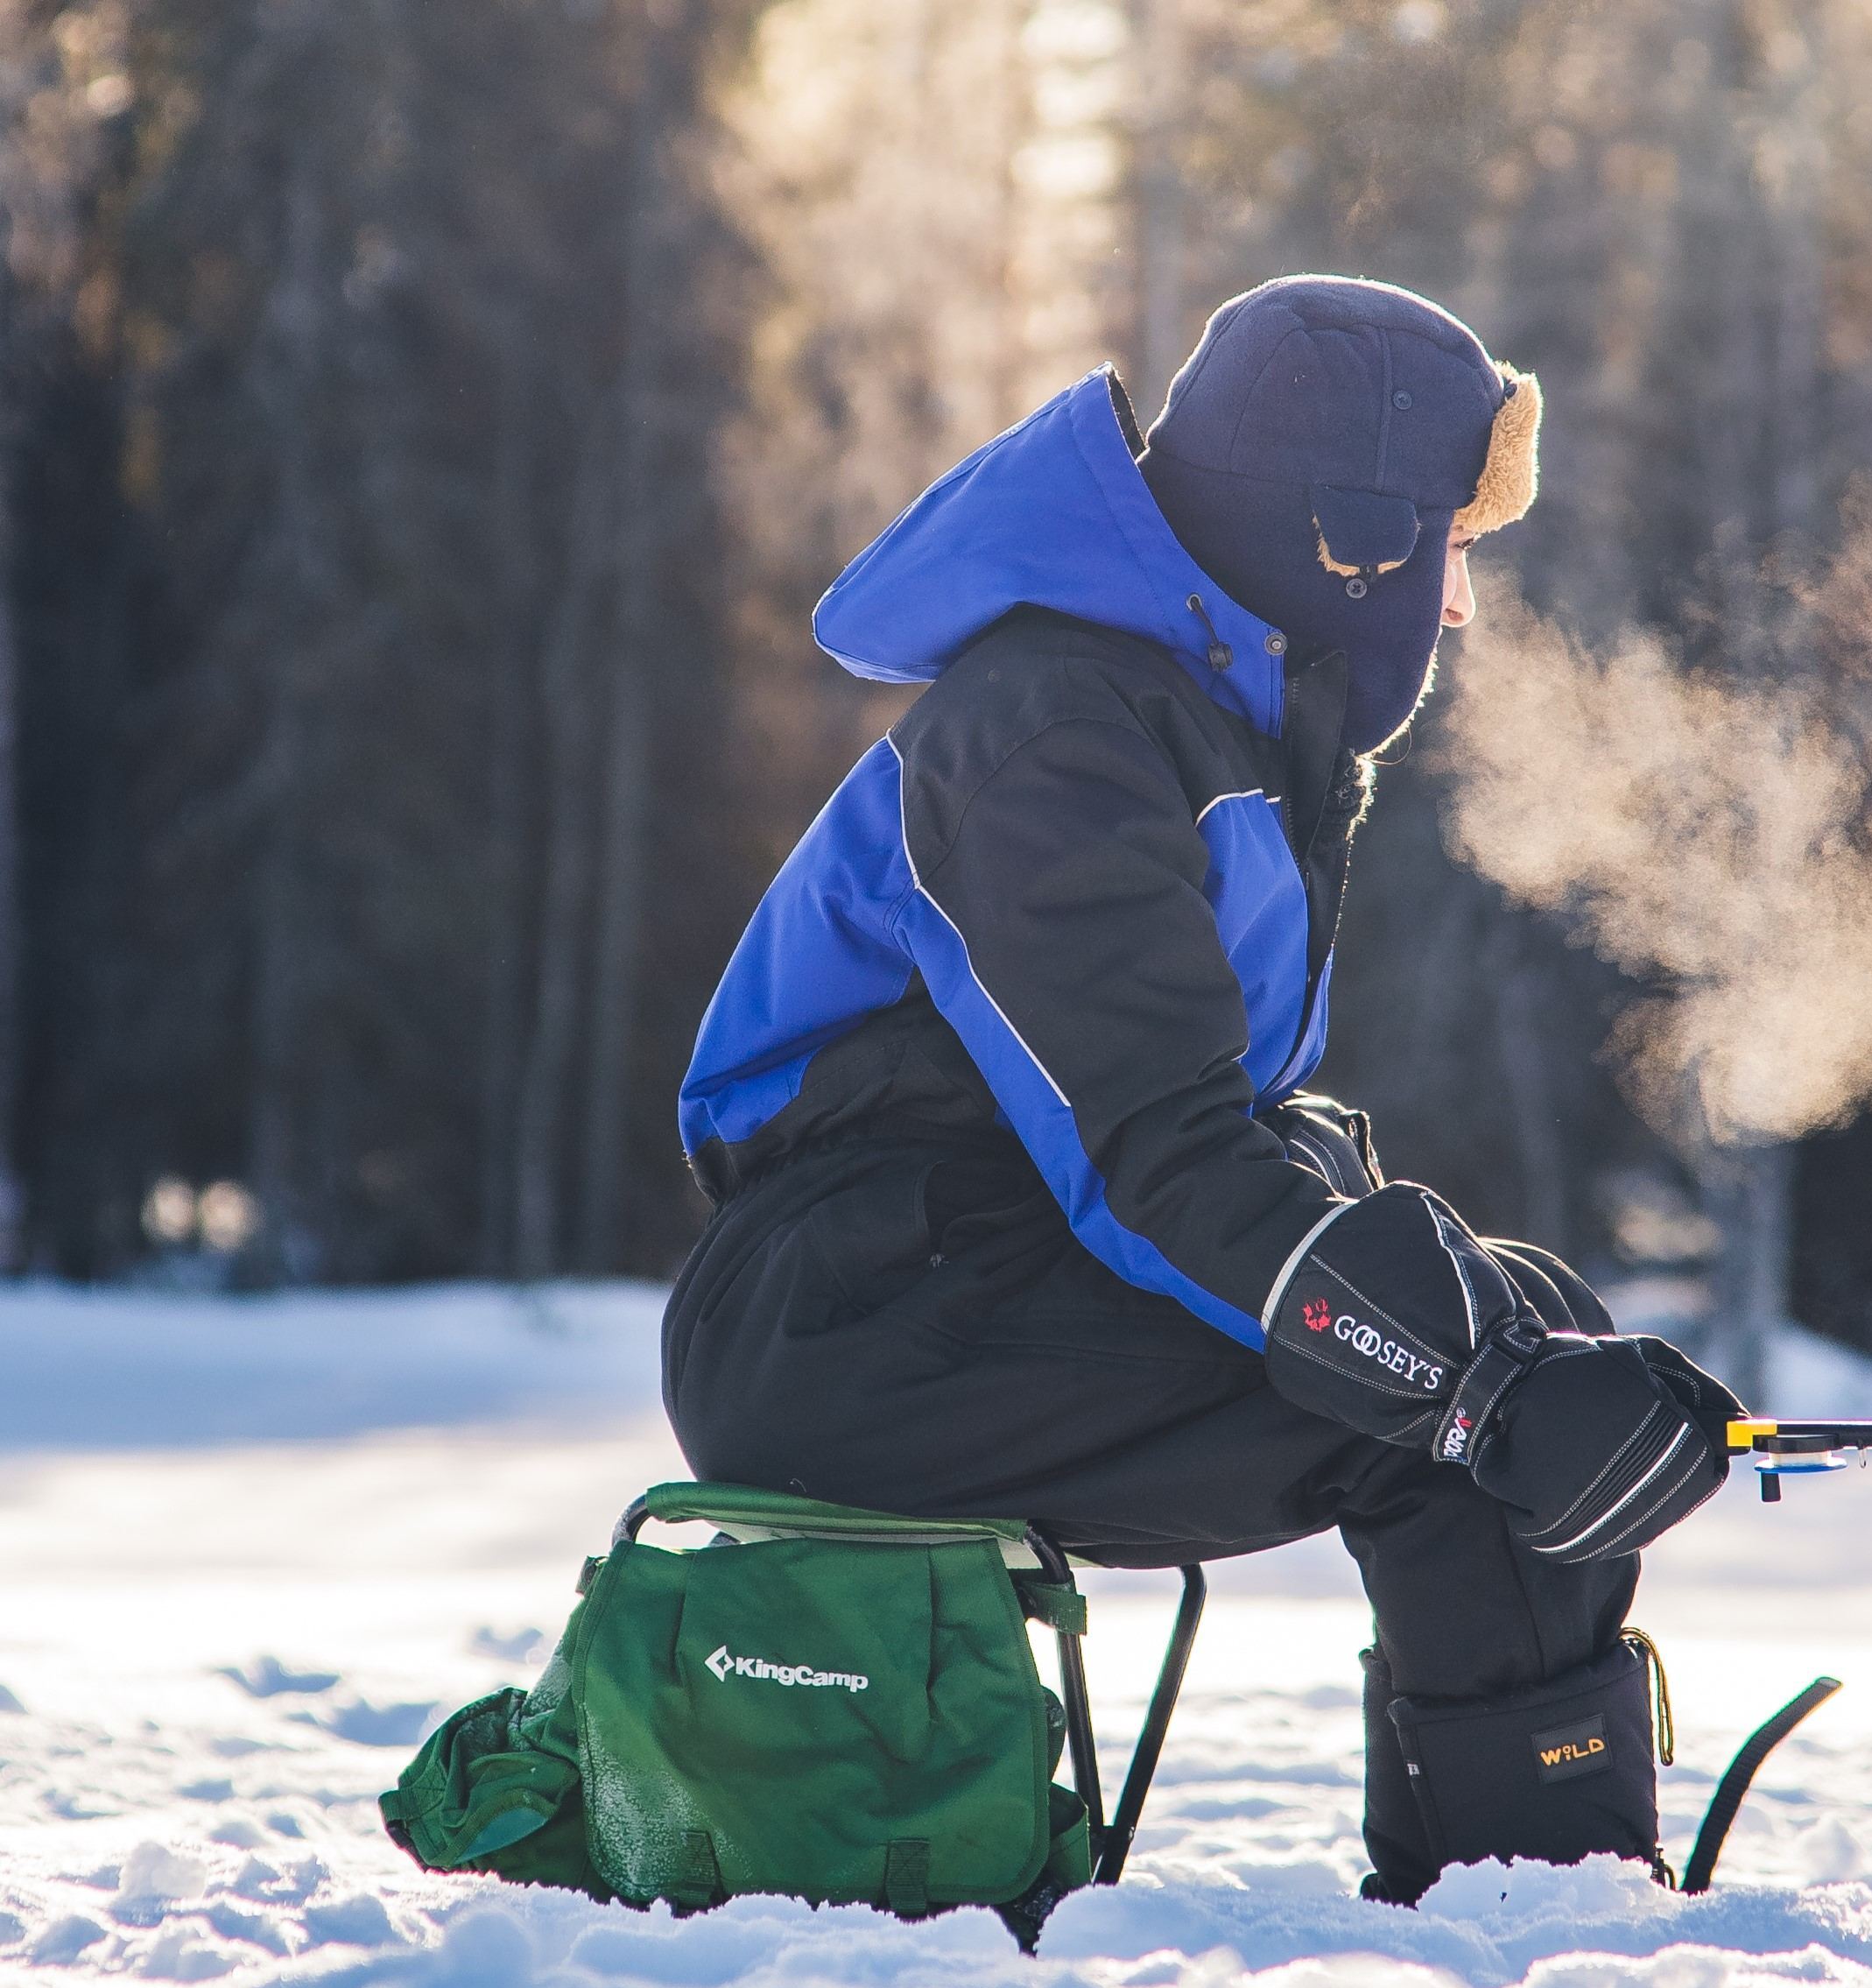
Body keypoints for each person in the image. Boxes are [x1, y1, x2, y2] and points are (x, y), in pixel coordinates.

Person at [663, 275, 1744, 1903]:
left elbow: (1212, 1124)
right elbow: (1158, 1153)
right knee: (1461, 1415)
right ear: (1348, 542)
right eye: (1449, 543)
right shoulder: (1056, 733)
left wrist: (1484, 1333)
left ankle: (1538, 1881)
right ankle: (1525, 1907)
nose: (1455, 605)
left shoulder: (1198, 722)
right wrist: (1475, 1382)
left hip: (964, 1267)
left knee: (1517, 1331)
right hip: (848, 1317)